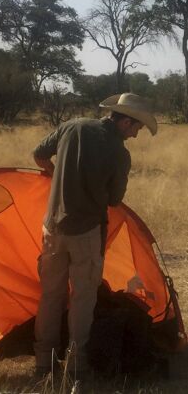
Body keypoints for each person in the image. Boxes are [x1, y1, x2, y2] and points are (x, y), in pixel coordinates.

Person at [32, 92, 157, 383]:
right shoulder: (119, 153)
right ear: (126, 121)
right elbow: (114, 200)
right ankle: (76, 367)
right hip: (86, 233)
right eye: (136, 128)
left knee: (50, 296)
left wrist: (55, 177)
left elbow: (38, 154)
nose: (136, 135)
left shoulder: (71, 126)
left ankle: (43, 363)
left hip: (51, 229)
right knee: (83, 300)